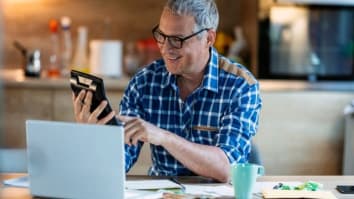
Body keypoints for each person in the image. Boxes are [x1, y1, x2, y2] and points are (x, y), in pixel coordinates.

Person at [72, 0, 262, 183]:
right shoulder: (145, 82)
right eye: (162, 36)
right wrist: (93, 138)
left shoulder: (240, 86)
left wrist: (163, 137)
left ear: (208, 38)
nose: (165, 48)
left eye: (177, 40)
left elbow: (227, 169)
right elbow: (119, 163)